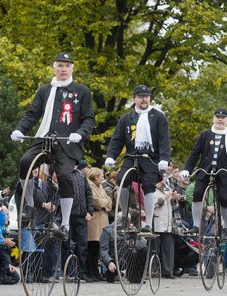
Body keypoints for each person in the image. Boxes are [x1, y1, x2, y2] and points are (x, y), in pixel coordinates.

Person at [11, 52, 95, 240]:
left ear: (72, 68)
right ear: (54, 68)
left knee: (65, 175)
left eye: (67, 66)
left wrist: (79, 134)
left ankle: (64, 223)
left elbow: (89, 119)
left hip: (67, 142)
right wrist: (20, 129)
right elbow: (32, 114)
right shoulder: (45, 90)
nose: (63, 69)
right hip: (44, 137)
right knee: (25, 162)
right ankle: (30, 207)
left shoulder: (81, 91)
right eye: (60, 65)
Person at [105, 84, 171, 233]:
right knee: (122, 179)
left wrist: (164, 158)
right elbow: (117, 140)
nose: (144, 99)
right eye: (141, 97)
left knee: (148, 185)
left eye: (146, 97)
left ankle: (148, 222)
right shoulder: (127, 118)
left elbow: (164, 139)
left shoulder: (158, 117)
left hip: (151, 158)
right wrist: (111, 156)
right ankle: (125, 216)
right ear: (134, 98)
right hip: (131, 156)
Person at [180, 107, 227, 241]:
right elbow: (194, 153)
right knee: (197, 193)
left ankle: (225, 226)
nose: (220, 119)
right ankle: (197, 225)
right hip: (205, 170)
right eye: (217, 117)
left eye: (223, 117)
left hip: (223, 172)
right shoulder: (205, 134)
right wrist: (187, 169)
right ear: (213, 119)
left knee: (223, 198)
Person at [63, 163, 94, 283]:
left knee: (82, 245)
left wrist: (89, 211)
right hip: (68, 215)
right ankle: (69, 271)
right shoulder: (65, 174)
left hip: (81, 215)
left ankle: (83, 272)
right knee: (68, 244)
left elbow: (88, 194)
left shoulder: (81, 176)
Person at [87, 167, 112, 281]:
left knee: (98, 248)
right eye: (101, 176)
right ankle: (90, 271)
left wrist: (104, 202)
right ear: (96, 176)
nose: (102, 178)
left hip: (102, 219)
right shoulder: (90, 185)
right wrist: (105, 202)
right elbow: (96, 202)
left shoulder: (100, 186)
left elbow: (109, 202)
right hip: (94, 220)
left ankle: (96, 272)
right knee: (92, 247)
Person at [153, 176, 179, 279]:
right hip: (157, 221)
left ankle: (168, 271)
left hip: (168, 223)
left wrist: (174, 199)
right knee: (154, 248)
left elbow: (174, 207)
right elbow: (153, 204)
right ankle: (154, 269)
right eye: (163, 177)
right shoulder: (152, 189)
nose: (165, 179)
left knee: (168, 248)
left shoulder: (168, 189)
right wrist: (164, 198)